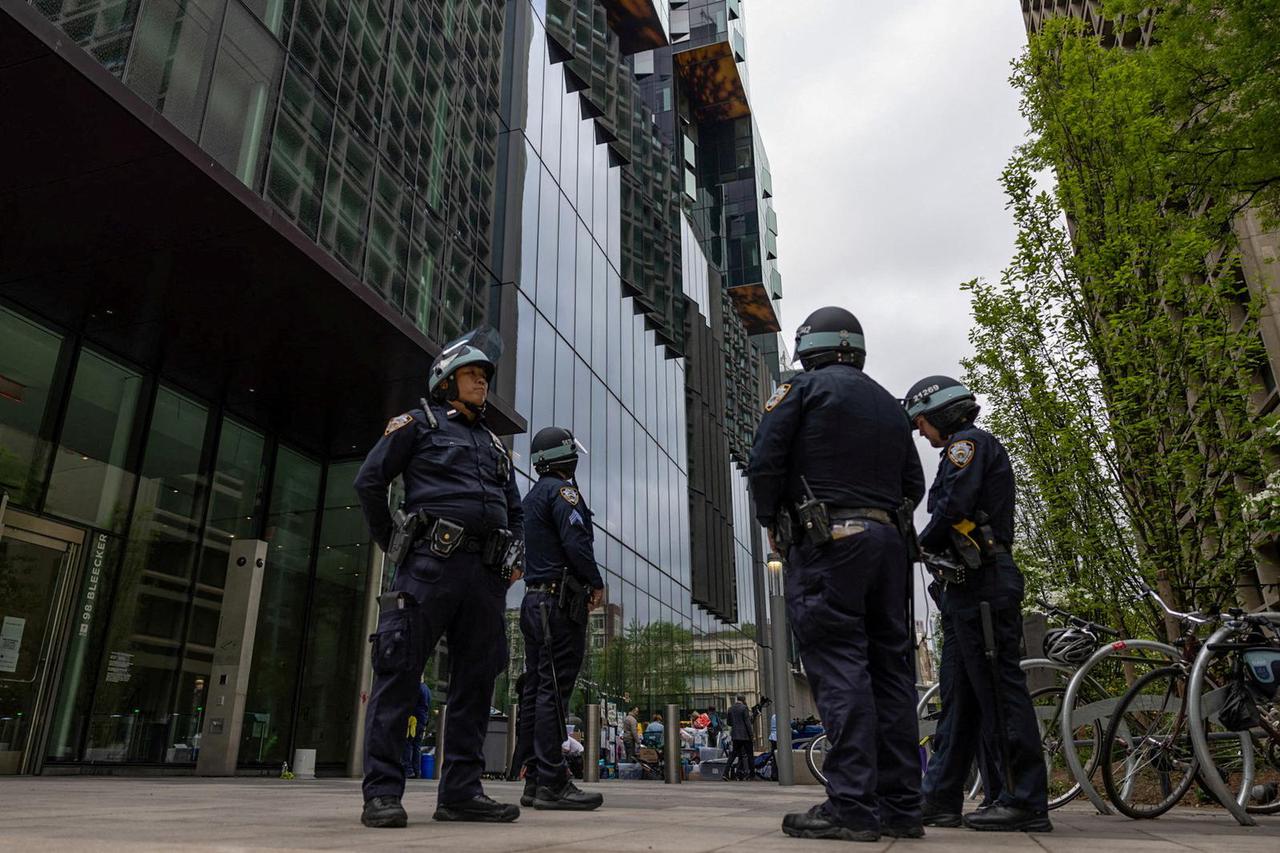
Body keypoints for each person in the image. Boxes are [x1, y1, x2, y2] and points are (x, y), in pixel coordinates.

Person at [747, 307, 926, 842]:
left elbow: (764, 461)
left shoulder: (799, 390)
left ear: (808, 348)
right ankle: (902, 805)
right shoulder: (888, 403)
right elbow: (913, 483)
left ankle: (850, 805)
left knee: (840, 666)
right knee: (893, 674)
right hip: (890, 547)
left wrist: (772, 520)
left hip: (830, 544)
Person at [355, 327, 524, 828]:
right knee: (399, 673)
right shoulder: (416, 423)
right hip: (430, 567)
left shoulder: (494, 443)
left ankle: (461, 793)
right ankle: (382, 794)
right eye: (473, 375)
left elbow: (514, 509)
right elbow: (370, 481)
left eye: (484, 377)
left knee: (477, 681)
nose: (481, 384)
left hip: (486, 576)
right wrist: (393, 541)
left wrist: (516, 552)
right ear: (446, 381)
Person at [904, 376, 1052, 832]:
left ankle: (1023, 800)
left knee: (998, 692)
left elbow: (952, 508)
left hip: (983, 581)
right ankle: (942, 797)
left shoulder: (967, 445)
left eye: (922, 423)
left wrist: (911, 544)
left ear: (941, 413)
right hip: (963, 588)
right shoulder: (966, 447)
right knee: (960, 697)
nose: (923, 434)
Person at [514, 425, 605, 811]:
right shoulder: (563, 492)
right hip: (558, 603)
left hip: (533, 602)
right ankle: (553, 781)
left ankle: (535, 779)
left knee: (536, 690)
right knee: (554, 691)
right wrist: (595, 581)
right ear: (561, 457)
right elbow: (576, 541)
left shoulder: (532, 496)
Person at [402, 679, 432, 778]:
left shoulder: (416, 688)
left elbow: (411, 704)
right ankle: (417, 770)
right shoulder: (427, 689)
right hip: (422, 719)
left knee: (409, 743)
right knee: (417, 745)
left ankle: (408, 769)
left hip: (414, 719)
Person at [727, 694, 755, 781]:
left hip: (735, 736)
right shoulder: (744, 708)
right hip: (745, 736)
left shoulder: (730, 709)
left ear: (737, 699)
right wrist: (751, 735)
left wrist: (736, 725)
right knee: (750, 755)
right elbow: (747, 723)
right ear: (744, 700)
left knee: (733, 755)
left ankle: (725, 773)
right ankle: (752, 775)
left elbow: (729, 723)